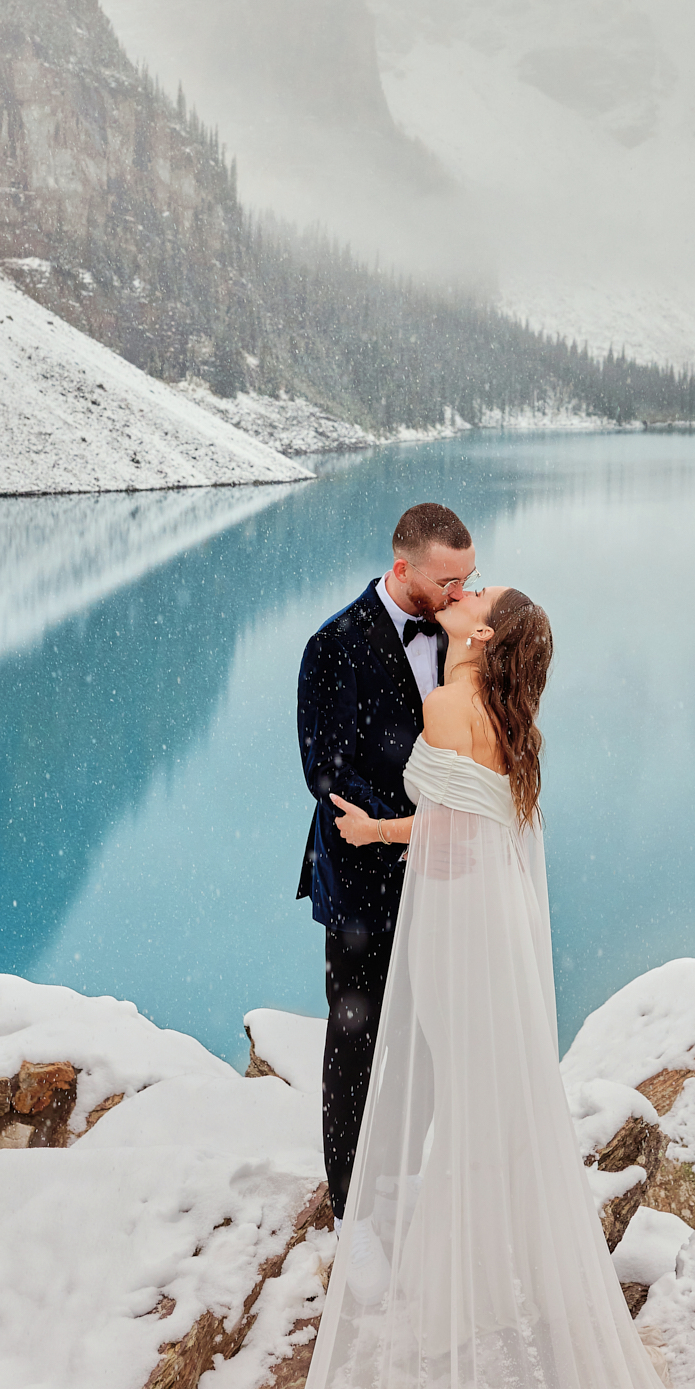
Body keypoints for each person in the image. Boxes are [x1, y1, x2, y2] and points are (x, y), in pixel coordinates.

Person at [250, 588, 695, 1389]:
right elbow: (473, 818)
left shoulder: (452, 707)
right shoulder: (508, 716)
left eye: (480, 597)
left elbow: (449, 836)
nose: (467, 593)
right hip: (483, 925)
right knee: (490, 1100)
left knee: (457, 1095)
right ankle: (491, 1276)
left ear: (484, 637)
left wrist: (370, 838)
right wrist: (385, 834)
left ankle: (451, 1299)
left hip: (452, 929)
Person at [296, 501, 477, 1226]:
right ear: (402, 568)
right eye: (445, 581)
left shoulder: (462, 634)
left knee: (431, 1034)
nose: (459, 593)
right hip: (362, 883)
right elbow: (326, 774)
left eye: (468, 577)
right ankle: (351, 1210)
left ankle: (400, 1175)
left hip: (444, 875)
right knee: (355, 1041)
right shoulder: (332, 644)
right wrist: (409, 828)